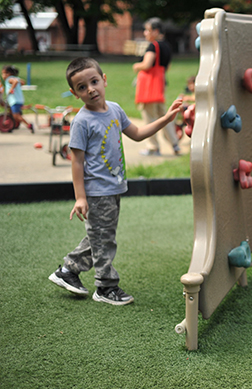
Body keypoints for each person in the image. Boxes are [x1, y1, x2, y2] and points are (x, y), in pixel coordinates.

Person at [48, 57, 183, 305]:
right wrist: (80, 197)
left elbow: (139, 134)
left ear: (104, 80)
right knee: (104, 237)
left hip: (113, 188)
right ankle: (106, 287)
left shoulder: (115, 109)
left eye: (94, 81)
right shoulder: (81, 121)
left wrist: (166, 119)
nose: (90, 89)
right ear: (74, 93)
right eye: (82, 87)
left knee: (100, 234)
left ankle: (68, 270)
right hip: (97, 191)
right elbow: (76, 161)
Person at [133, 17, 181, 156]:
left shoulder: (153, 46)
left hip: (149, 86)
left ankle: (153, 147)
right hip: (160, 84)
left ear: (156, 31)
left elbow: (147, 64)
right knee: (164, 116)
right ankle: (175, 144)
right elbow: (167, 67)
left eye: (147, 30)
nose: (145, 33)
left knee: (149, 116)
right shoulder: (166, 46)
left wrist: (136, 66)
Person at [1, 65, 34, 133]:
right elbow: (22, 82)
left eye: (3, 73)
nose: (2, 76)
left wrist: (11, 89)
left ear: (8, 74)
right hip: (19, 99)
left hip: (14, 100)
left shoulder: (9, 79)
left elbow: (15, 82)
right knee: (11, 111)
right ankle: (13, 122)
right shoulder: (16, 78)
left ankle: (29, 125)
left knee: (16, 115)